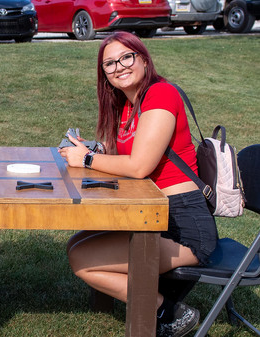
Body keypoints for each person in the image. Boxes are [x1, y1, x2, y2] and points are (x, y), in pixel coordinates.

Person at [58, 31, 218, 337]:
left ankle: (169, 312)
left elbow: (140, 166)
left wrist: (87, 161)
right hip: (152, 213)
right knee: (77, 242)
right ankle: (163, 305)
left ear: (143, 59)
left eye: (126, 57)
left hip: (184, 225)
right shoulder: (129, 103)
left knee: (82, 259)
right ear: (104, 74)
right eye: (109, 64)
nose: (119, 67)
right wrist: (96, 150)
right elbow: (129, 152)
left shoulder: (160, 94)